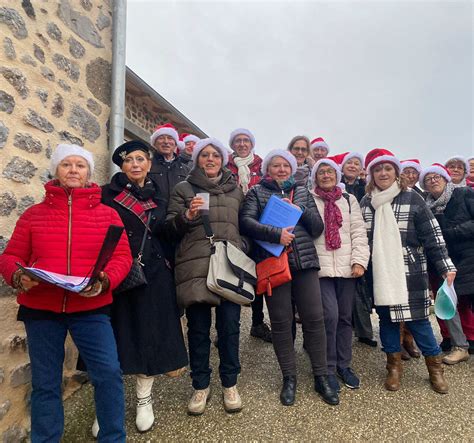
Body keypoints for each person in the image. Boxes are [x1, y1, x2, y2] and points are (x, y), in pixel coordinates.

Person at [0, 144, 132, 442]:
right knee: (45, 383)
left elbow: (122, 257)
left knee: (109, 374)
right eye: (66, 165)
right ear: (56, 172)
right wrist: (19, 275)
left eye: (80, 165)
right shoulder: (33, 215)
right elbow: (9, 257)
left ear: (89, 174)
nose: (73, 170)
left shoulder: (108, 215)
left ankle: (113, 437)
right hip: (41, 309)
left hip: (91, 308)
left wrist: (105, 280)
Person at [98, 140, 188, 432]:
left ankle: (144, 399)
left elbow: (165, 233)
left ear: (149, 164)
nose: (135, 164)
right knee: (114, 337)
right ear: (121, 166)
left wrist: (185, 220)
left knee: (148, 335)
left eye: (140, 159)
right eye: (129, 160)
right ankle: (107, 406)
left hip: (153, 275)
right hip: (117, 273)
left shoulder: (160, 198)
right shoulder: (106, 196)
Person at [240, 149, 339, 407]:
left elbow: (317, 228)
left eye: (286, 165)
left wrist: (300, 210)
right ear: (267, 170)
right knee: (282, 323)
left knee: (315, 319)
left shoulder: (303, 191)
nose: (281, 169)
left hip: (304, 263)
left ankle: (321, 376)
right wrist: (276, 234)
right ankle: (289, 377)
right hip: (274, 263)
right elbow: (246, 223)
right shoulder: (256, 192)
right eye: (276, 165)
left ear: (292, 169)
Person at [360, 148, 456, 394]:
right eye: (378, 169)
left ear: (396, 172)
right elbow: (361, 239)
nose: (383, 173)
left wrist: (446, 267)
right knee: (387, 321)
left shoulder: (413, 198)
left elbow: (433, 236)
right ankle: (393, 367)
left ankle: (435, 369)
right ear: (372, 174)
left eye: (388, 168)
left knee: (420, 322)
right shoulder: (366, 202)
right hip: (380, 272)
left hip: (410, 271)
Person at [165, 138, 245, 416]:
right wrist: (187, 216)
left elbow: (243, 225)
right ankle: (200, 385)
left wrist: (240, 247)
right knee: (198, 331)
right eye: (204, 155)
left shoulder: (236, 191)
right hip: (195, 266)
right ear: (197, 159)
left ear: (223, 160)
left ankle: (230, 384)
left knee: (230, 329)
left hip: (229, 267)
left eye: (215, 155)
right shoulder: (183, 188)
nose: (210, 159)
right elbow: (169, 228)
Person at [311, 157, 370, 392]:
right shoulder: (309, 198)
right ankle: (328, 365)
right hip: (321, 268)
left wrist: (359, 261)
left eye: (330, 172)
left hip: (347, 267)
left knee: (346, 317)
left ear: (337, 176)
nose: (326, 175)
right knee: (330, 316)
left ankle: (344, 365)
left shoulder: (348, 199)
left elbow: (358, 231)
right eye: (321, 172)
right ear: (315, 177)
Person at [420, 163, 474, 360]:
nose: (433, 180)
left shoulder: (464, 194)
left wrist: (452, 233)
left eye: (437, 176)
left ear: (445, 178)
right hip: (444, 261)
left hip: (469, 258)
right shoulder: (425, 206)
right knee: (449, 302)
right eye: (428, 179)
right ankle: (460, 346)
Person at [226, 128, 271, 343]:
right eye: (238, 141)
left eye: (246, 141)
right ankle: (229, 326)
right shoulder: (226, 166)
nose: (242, 144)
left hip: (256, 224)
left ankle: (257, 322)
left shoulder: (262, 166)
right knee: (233, 271)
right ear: (233, 145)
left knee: (257, 273)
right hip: (232, 224)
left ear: (251, 144)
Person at [339, 152, 377, 348]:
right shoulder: (335, 183)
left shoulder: (365, 187)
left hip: (362, 237)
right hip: (341, 239)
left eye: (356, 163)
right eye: (349, 163)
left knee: (361, 287)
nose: (352, 166)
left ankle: (364, 331)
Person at [148, 123, 191, 199]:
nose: (166, 142)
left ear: (175, 144)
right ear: (154, 143)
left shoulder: (187, 170)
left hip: (179, 210)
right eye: (161, 138)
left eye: (170, 138)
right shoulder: (147, 165)